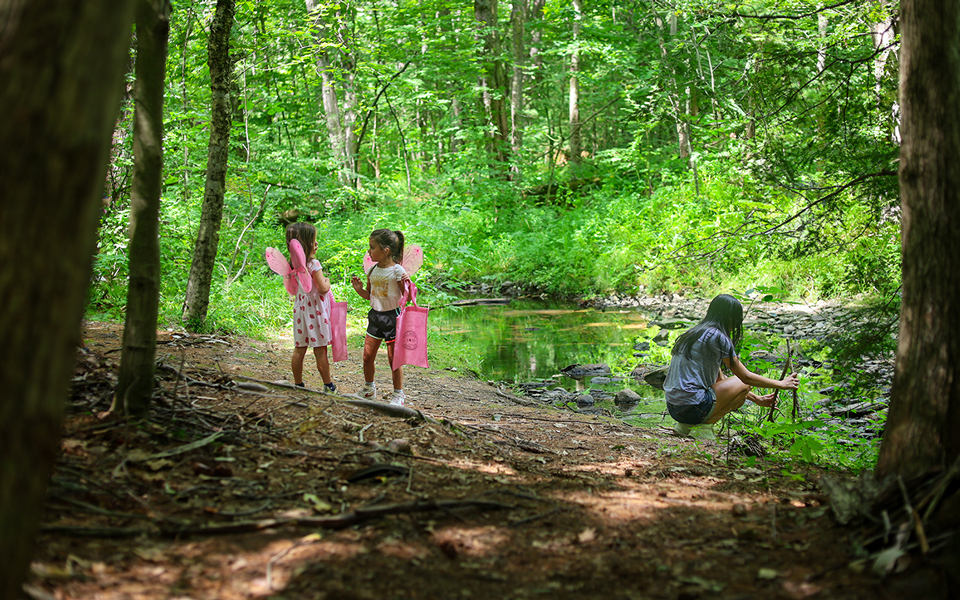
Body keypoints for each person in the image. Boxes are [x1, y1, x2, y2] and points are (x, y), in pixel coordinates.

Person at [663, 294, 799, 438]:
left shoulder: (694, 334)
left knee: (738, 385)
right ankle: (704, 428)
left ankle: (685, 427)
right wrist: (781, 384)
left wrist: (756, 399)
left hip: (674, 408)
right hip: (693, 407)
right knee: (743, 382)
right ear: (730, 317)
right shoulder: (717, 336)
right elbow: (746, 378)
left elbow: (722, 381)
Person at [351, 229, 411, 406]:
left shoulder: (397, 271)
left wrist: (408, 286)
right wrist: (359, 289)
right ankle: (369, 389)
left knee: (394, 360)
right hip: (375, 317)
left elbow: (407, 296)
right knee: (367, 356)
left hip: (392, 317)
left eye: (372, 247)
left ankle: (398, 395)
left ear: (386, 250)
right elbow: (370, 295)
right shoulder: (372, 270)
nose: (369, 251)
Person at [286, 222, 337, 393]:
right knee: (320, 350)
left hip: (301, 309)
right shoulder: (313, 264)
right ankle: (328, 386)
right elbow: (322, 288)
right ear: (306, 244)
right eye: (314, 240)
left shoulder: (293, 266)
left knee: (299, 348)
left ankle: (298, 384)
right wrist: (328, 282)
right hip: (315, 311)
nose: (316, 243)